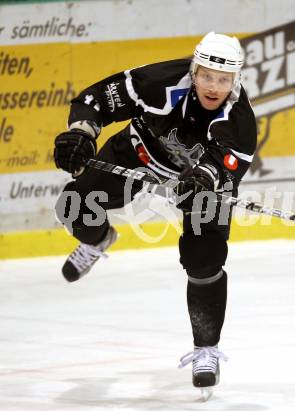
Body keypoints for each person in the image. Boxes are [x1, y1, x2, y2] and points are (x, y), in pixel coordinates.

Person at [53, 32, 257, 389]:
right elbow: (96, 99)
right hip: (138, 155)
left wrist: (205, 178)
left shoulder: (238, 120)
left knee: (204, 256)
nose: (213, 86)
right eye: (207, 75)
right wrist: (82, 132)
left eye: (223, 79)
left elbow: (225, 167)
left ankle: (206, 349)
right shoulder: (158, 82)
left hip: (199, 183)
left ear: (235, 79)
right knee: (74, 207)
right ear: (194, 70)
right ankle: (99, 239)